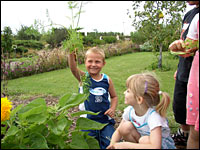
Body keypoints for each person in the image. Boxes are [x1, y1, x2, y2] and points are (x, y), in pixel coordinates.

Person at [106, 72, 176, 149]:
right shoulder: (130, 111)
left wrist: (126, 145)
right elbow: (119, 131)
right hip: (143, 141)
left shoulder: (153, 117)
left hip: (161, 146)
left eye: (128, 91)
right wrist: (112, 145)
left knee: (144, 140)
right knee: (125, 127)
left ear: (139, 99)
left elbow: (155, 146)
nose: (124, 92)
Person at [68, 47, 118, 149]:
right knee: (87, 145)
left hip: (105, 121)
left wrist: (112, 108)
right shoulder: (84, 78)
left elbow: (114, 96)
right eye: (90, 61)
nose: (93, 64)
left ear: (103, 63)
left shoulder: (106, 79)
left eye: (97, 62)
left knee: (112, 144)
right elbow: (73, 69)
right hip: (87, 122)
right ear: (85, 62)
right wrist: (71, 54)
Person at [168, 1, 199, 146]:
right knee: (180, 104)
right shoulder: (189, 14)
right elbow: (186, 42)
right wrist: (178, 67)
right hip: (184, 68)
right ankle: (184, 133)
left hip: (195, 71)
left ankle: (191, 136)